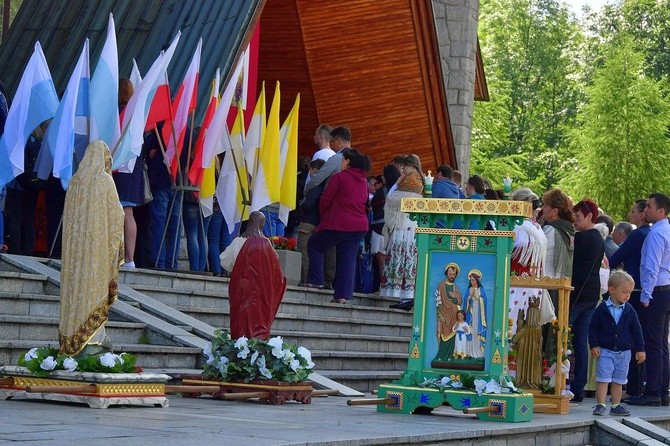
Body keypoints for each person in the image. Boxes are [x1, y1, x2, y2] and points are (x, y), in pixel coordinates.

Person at [58, 140, 124, 355]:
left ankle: (70, 342)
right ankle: (93, 342)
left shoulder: (75, 182)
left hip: (75, 255)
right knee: (93, 292)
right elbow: (117, 217)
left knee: (74, 296)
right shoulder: (104, 181)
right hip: (96, 255)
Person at [305, 148, 370, 303]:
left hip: (339, 222)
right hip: (359, 226)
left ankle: (316, 280)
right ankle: (342, 295)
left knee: (314, 245)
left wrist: (324, 219)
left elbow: (325, 200)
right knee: (347, 259)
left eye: (342, 160)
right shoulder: (364, 182)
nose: (340, 163)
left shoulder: (339, 178)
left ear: (347, 161)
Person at [628, 193, 670, 407]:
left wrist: (645, 296)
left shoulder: (656, 234)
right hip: (666, 289)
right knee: (662, 343)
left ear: (661, 211)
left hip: (656, 291)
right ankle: (662, 390)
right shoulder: (667, 230)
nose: (646, 210)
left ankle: (653, 391)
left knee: (653, 343)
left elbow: (651, 267)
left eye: (650, 206)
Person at [220, 211, 287, 340]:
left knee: (240, 319)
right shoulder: (266, 244)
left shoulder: (238, 241)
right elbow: (276, 272)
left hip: (241, 288)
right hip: (260, 292)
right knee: (258, 320)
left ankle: (239, 346)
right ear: (262, 224)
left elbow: (224, 261)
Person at [589, 271, 645, 416]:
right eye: (624, 292)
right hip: (606, 351)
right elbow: (593, 327)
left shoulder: (629, 310)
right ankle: (600, 404)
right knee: (603, 379)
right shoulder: (602, 309)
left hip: (624, 352)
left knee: (619, 380)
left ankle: (616, 405)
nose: (627, 295)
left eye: (630, 293)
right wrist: (593, 344)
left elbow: (637, 331)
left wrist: (640, 349)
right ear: (612, 290)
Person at [610, 199, 650, 400]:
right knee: (650, 340)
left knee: (632, 337)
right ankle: (647, 385)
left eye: (634, 211)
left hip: (633, 290)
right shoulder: (652, 233)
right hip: (649, 290)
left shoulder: (637, 235)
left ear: (643, 214)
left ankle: (633, 386)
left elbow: (616, 257)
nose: (630, 214)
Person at [569, 198, 605, 403]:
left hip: (578, 294)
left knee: (562, 336)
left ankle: (558, 380)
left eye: (578, 216)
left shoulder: (583, 238)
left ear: (590, 217)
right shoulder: (598, 237)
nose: (575, 220)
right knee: (581, 342)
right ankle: (578, 388)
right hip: (591, 295)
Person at [381, 155, 424, 309]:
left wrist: (396, 183)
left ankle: (404, 297)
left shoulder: (407, 181)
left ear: (409, 166)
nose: (402, 170)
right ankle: (407, 295)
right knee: (409, 260)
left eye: (403, 167)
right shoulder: (421, 179)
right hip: (412, 226)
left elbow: (392, 199)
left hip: (402, 225)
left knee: (401, 258)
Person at [112, 78, 144, 268]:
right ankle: (129, 259)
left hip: (117, 169)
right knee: (128, 213)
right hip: (132, 170)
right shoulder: (136, 116)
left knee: (116, 212)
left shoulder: (116, 114)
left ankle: (117, 256)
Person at [297, 159, 325, 285]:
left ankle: (305, 279)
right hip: (319, 223)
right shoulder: (326, 185)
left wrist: (301, 206)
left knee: (304, 252)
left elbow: (308, 205)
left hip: (307, 222)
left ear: (314, 170)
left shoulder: (314, 186)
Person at [432, 263, 462, 364]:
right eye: (450, 274)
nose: (451, 276)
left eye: (453, 274)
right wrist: (440, 313)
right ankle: (441, 355)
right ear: (446, 274)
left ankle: (449, 355)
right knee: (443, 334)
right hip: (444, 314)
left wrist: (454, 296)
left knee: (452, 334)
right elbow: (438, 300)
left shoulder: (455, 287)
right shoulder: (441, 285)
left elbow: (459, 301)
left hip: (453, 314)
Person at [513, 295, 543, 389]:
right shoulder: (538, 329)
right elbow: (540, 342)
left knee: (524, 366)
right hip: (533, 351)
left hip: (524, 352)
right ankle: (534, 382)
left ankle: (523, 381)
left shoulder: (525, 329)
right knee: (533, 366)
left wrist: (520, 321)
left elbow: (515, 339)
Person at [465, 270, 486, 358]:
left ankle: (478, 351)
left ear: (477, 280)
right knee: (471, 330)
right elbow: (466, 300)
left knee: (477, 330)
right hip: (471, 312)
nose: (472, 282)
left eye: (473, 280)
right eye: (471, 280)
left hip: (479, 313)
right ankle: (469, 351)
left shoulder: (480, 290)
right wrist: (470, 296)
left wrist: (477, 296)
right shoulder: (469, 289)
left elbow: (484, 300)